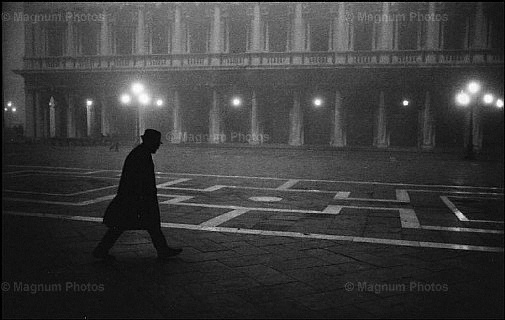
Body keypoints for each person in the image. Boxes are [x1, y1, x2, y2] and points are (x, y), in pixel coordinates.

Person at [93, 129, 182, 261]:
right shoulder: (141, 155)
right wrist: (145, 199)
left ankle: (162, 249)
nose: (158, 146)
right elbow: (140, 181)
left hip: (134, 197)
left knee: (143, 225)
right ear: (150, 142)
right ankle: (101, 250)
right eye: (156, 143)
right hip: (135, 198)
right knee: (126, 225)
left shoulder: (140, 153)